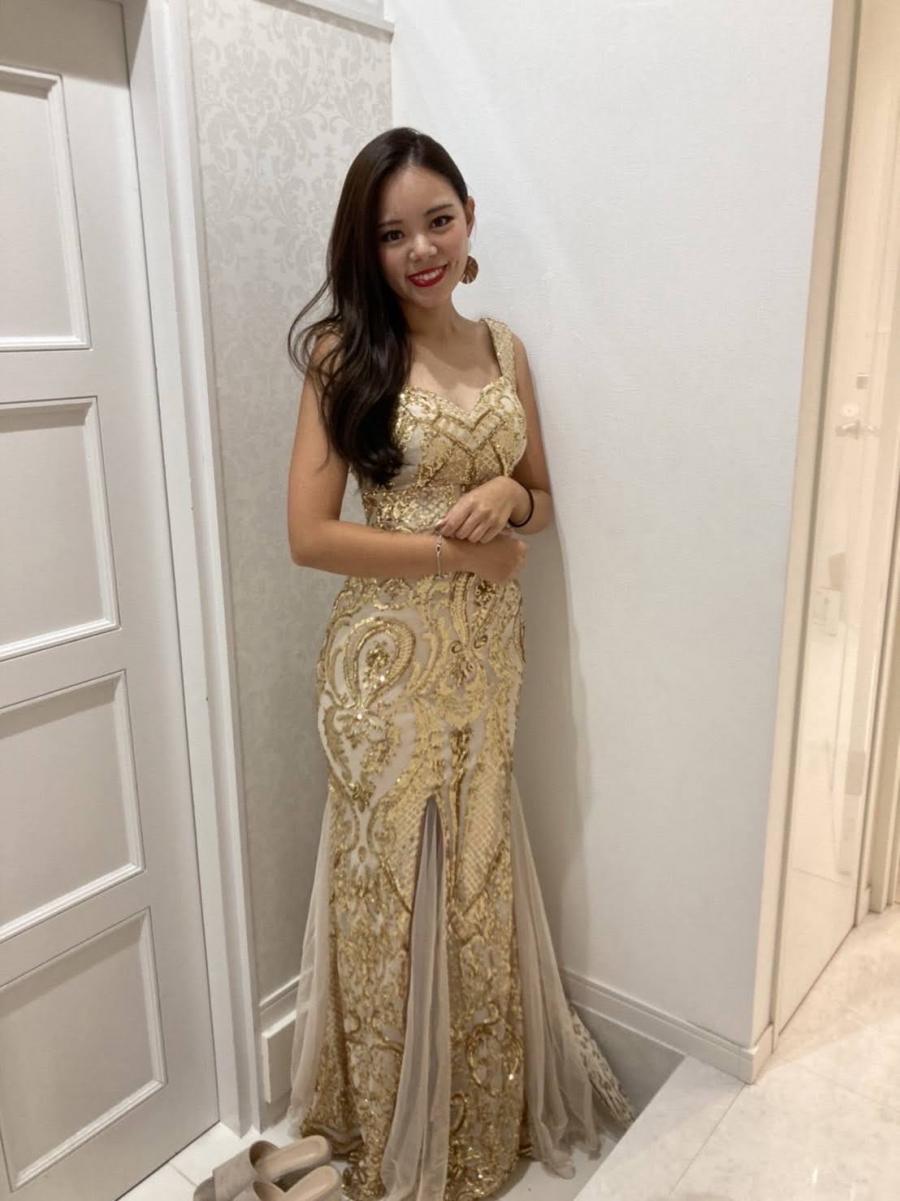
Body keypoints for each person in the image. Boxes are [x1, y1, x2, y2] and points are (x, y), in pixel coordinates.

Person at [285, 126, 635, 1201]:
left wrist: (510, 497)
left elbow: (543, 499)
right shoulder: (345, 355)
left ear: (471, 218)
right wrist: (455, 551)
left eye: (437, 221)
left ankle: (475, 1119)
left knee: (475, 876)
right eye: (392, 234)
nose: (421, 249)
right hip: (383, 670)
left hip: (486, 661)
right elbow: (309, 535)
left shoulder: (506, 349)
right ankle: (388, 1124)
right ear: (368, 248)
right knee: (391, 893)